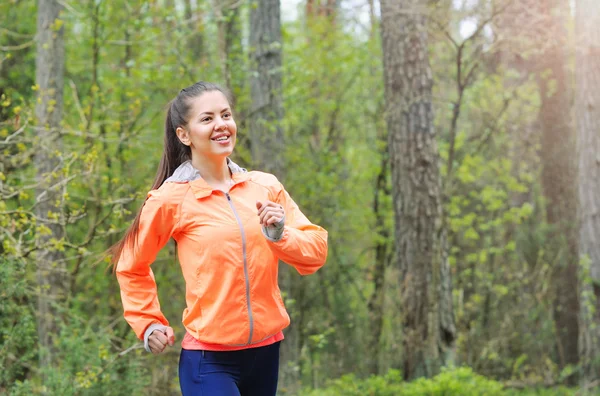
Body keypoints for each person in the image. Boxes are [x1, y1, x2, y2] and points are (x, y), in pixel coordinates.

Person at [112, 81, 328, 395]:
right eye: (207, 118)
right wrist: (148, 322)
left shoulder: (264, 186)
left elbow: (316, 252)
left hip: (266, 354)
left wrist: (280, 235)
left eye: (225, 115)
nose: (221, 125)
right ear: (184, 135)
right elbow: (131, 265)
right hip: (208, 359)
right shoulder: (170, 199)